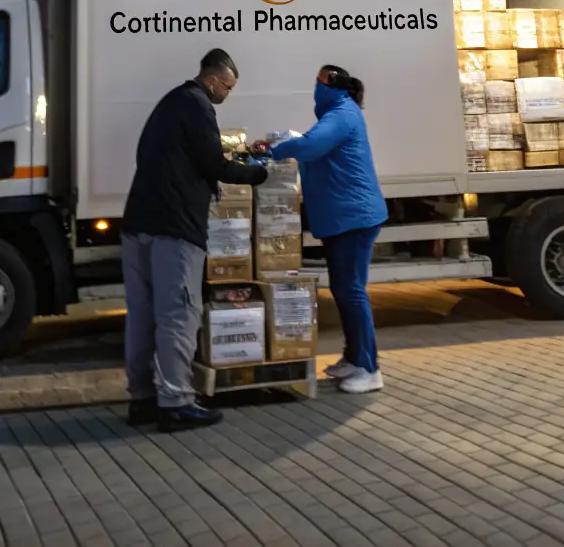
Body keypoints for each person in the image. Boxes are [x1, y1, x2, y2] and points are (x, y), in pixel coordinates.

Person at [121, 49, 267, 432]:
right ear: (215, 80)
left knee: (142, 315)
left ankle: (142, 400)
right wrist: (258, 174)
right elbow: (214, 164)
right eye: (228, 88)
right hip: (175, 227)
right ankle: (176, 402)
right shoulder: (198, 105)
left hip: (138, 222)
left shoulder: (168, 103)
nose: (227, 95)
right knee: (177, 315)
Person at [260, 64, 387, 393]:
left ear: (331, 85)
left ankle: (369, 368)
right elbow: (311, 143)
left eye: (317, 83)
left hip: (353, 219)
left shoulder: (342, 113)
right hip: (343, 218)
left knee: (353, 293)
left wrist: (271, 152)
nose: (314, 89)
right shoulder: (338, 113)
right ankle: (354, 356)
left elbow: (310, 147)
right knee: (345, 292)